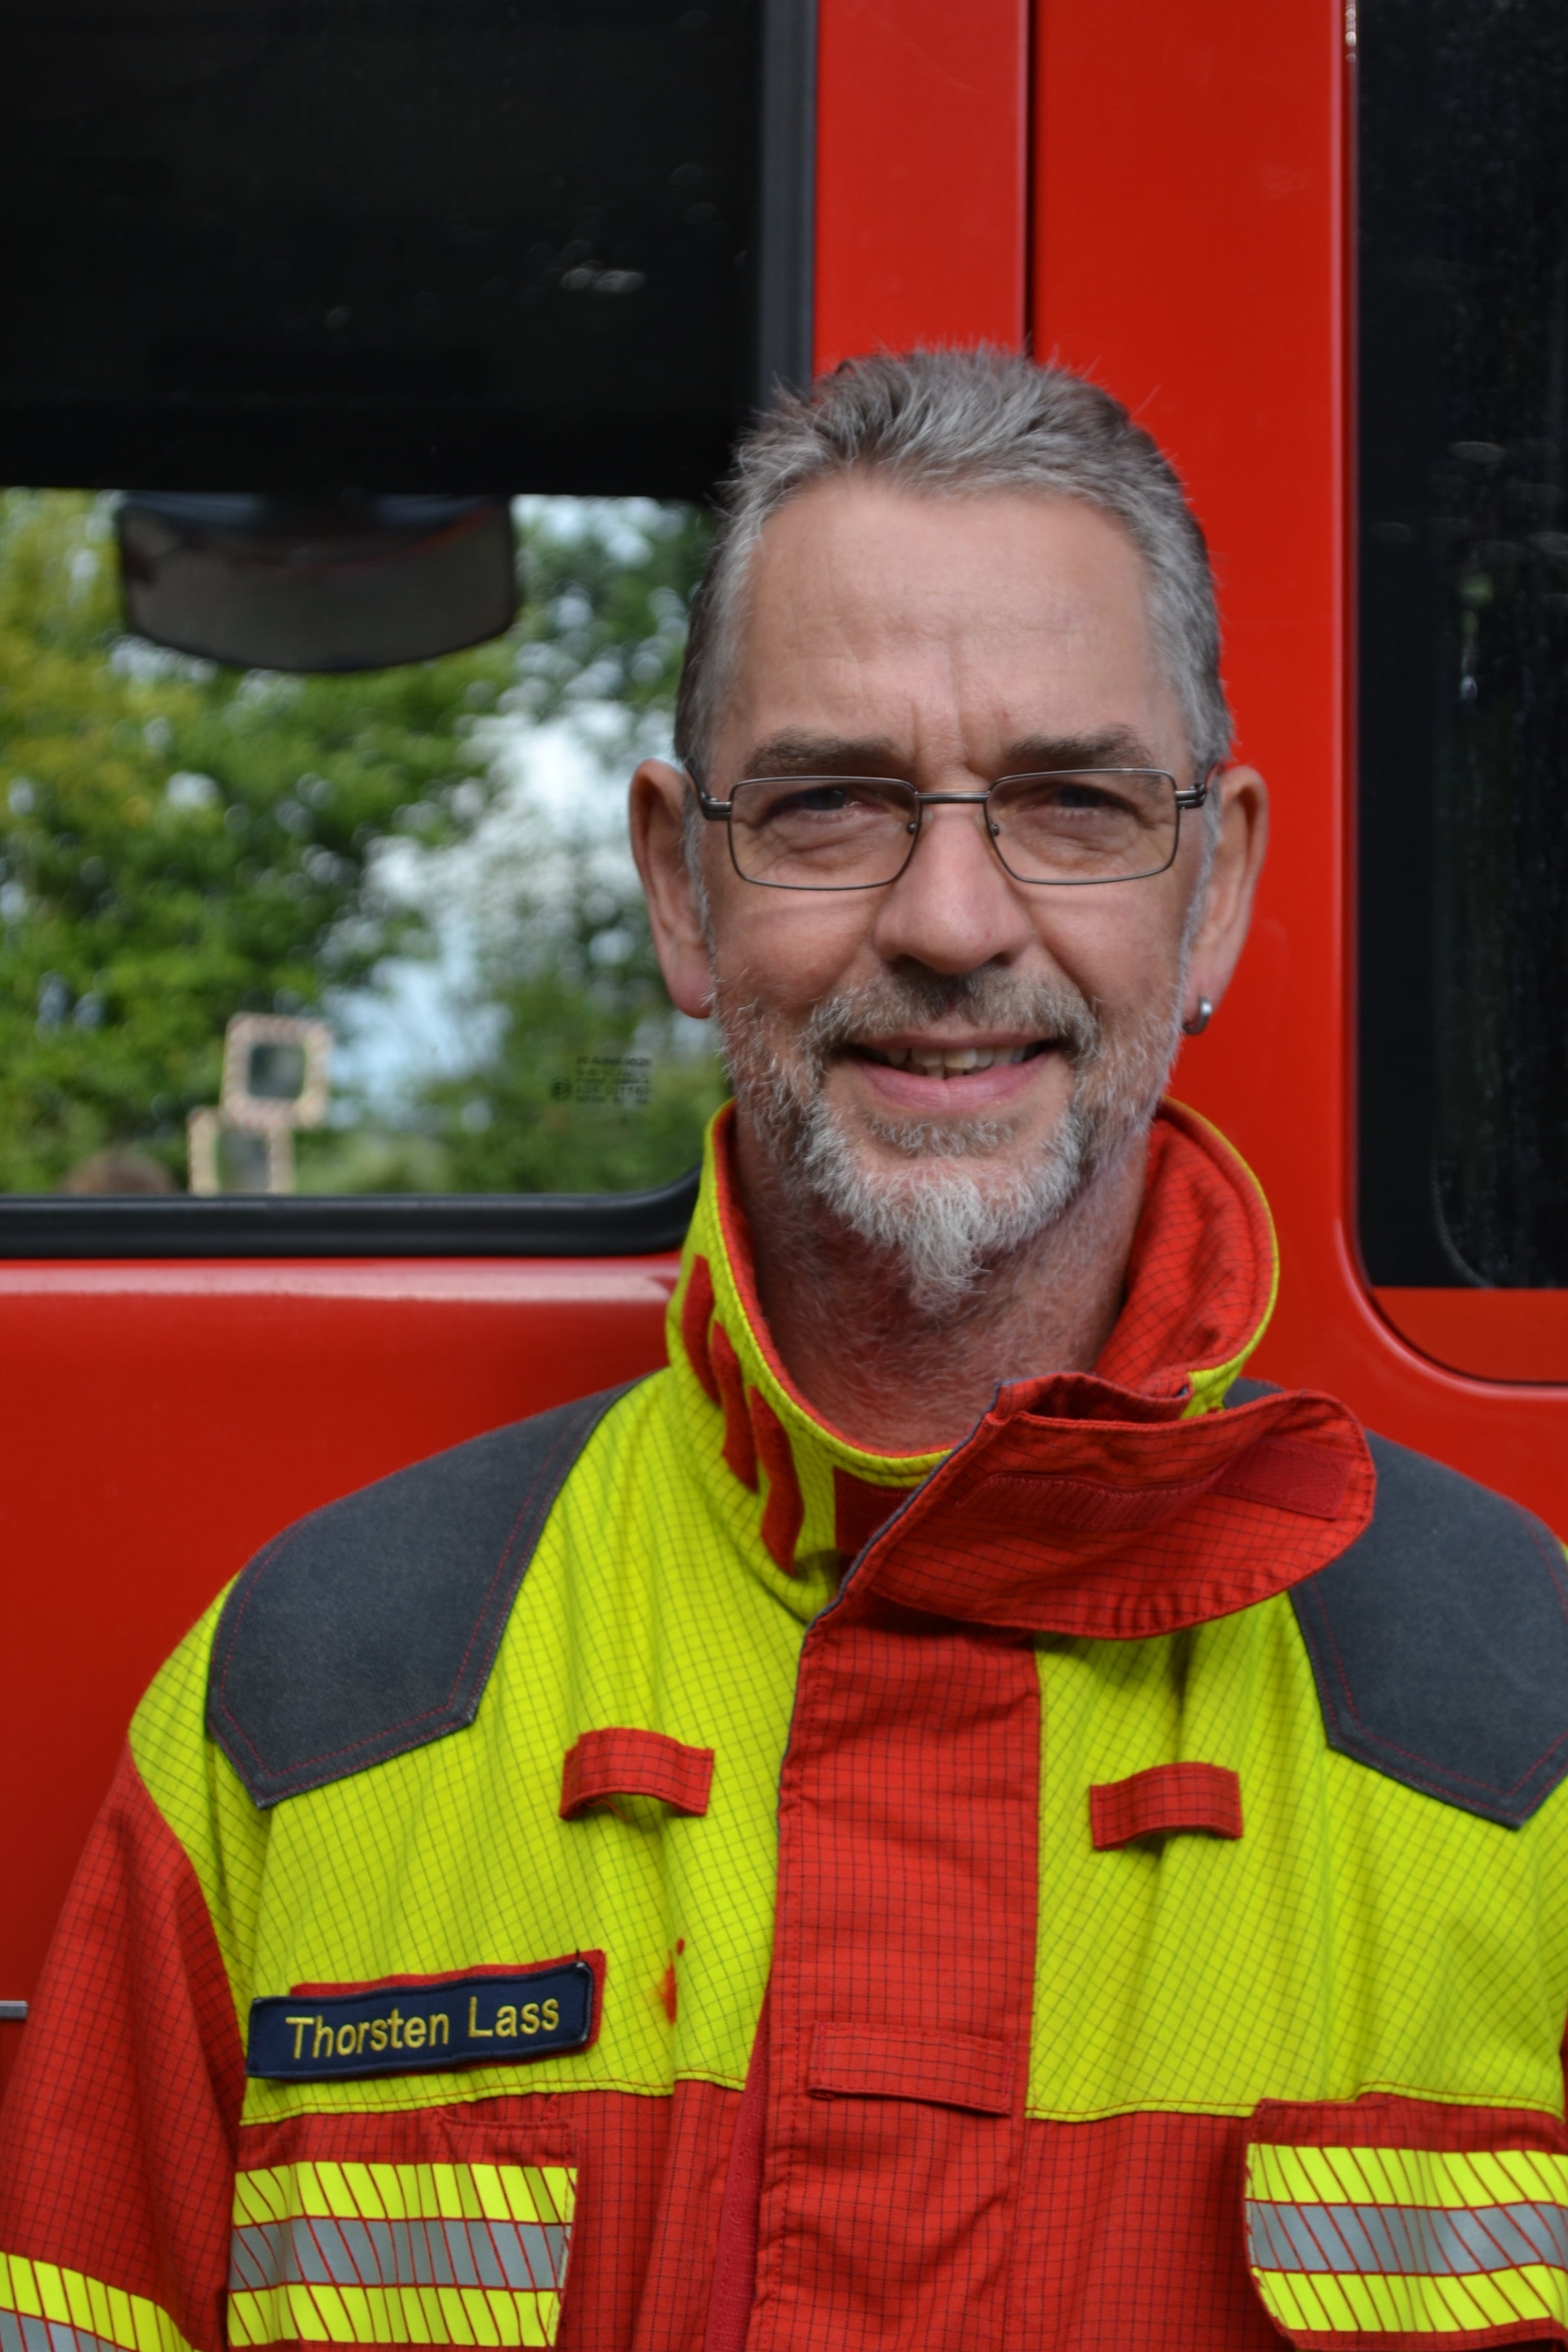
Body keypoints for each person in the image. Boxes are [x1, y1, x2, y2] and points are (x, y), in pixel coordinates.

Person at [4, 351, 1567, 2352]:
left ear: (1218, 892)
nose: (947, 915)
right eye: (832, 804)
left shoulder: (1534, 1740)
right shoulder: (298, 1723)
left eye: (1071, 802)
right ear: (681, 883)